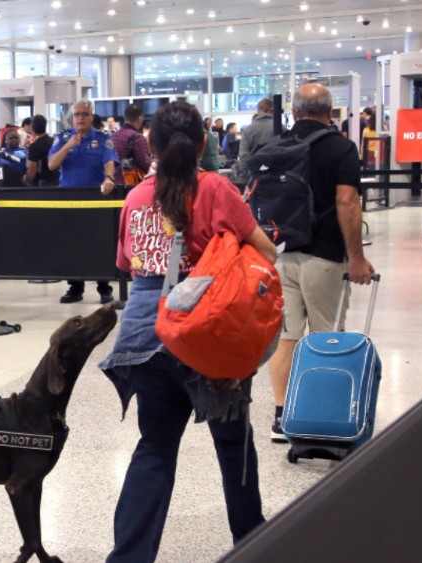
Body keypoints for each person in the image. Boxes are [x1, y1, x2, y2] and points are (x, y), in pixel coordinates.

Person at [99, 101, 277, 563]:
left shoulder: (136, 197)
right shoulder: (216, 188)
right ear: (203, 143)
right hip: (206, 336)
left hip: (144, 338)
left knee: (155, 447)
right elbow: (267, 253)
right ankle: (251, 544)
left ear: (151, 145)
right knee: (233, 444)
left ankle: (128, 558)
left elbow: (127, 265)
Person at [265, 83, 374, 442]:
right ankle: (320, 412)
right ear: (331, 112)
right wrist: (356, 257)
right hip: (324, 257)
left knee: (288, 337)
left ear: (294, 113)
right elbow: (347, 202)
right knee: (327, 337)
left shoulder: (277, 146)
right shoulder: (341, 148)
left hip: (280, 254)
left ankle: (282, 417)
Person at [48, 99, 119, 303]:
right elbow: (52, 164)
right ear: (72, 117)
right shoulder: (62, 138)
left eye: (84, 114)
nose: (80, 117)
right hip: (68, 198)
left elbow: (109, 162)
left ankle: (104, 286)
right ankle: (75, 287)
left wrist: (109, 178)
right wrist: (69, 145)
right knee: (72, 243)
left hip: (95, 197)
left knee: (99, 242)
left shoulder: (103, 138)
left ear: (91, 117)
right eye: (77, 114)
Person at [111, 102, 152, 187]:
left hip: (114, 184)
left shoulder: (112, 136)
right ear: (140, 118)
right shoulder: (138, 138)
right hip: (131, 184)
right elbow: (145, 164)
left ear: (124, 117)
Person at [237, 97, 275, 181]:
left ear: (258, 111)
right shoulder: (281, 128)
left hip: (255, 177)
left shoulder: (248, 130)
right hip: (276, 177)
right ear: (272, 110)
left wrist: (244, 176)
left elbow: (244, 155)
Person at [24, 114, 58, 186]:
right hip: (56, 180)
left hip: (42, 185)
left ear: (32, 128)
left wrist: (26, 178)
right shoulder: (54, 141)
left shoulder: (34, 146)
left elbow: (32, 170)